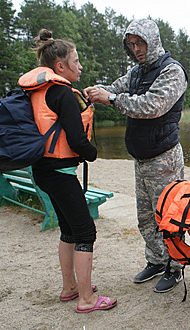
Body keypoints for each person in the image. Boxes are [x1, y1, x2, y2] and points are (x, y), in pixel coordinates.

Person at [84, 19, 188, 293]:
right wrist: (97, 92)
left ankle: (175, 268)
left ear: (152, 40)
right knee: (145, 218)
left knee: (168, 216)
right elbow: (114, 89)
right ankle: (156, 260)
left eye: (140, 42)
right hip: (141, 159)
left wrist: (110, 99)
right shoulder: (136, 72)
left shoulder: (172, 71)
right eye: (131, 44)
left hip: (164, 158)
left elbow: (152, 105)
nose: (136, 48)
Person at [19, 29, 117, 313]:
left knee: (68, 230)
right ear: (60, 66)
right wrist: (93, 154)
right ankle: (87, 299)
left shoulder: (39, 91)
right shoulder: (62, 93)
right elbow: (76, 140)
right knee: (86, 232)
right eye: (76, 61)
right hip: (60, 175)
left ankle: (70, 287)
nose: (80, 66)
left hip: (42, 171)